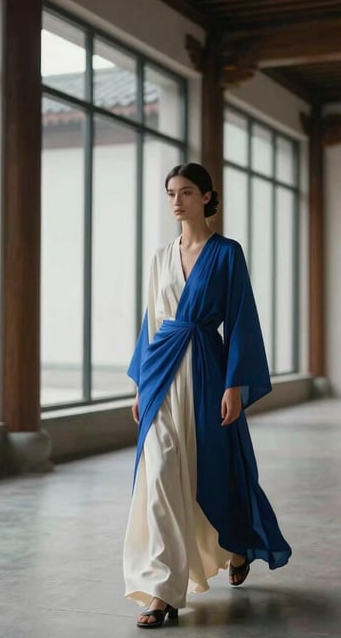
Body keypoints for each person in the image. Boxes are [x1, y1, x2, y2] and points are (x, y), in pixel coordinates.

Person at [123, 162, 292, 629]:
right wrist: (140, 383)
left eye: (186, 192)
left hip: (207, 371)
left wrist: (235, 383)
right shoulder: (161, 257)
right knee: (158, 477)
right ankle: (161, 591)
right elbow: (151, 324)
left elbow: (241, 318)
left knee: (211, 473)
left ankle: (236, 544)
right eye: (171, 193)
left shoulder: (227, 253)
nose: (176, 200)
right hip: (161, 375)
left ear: (206, 198)